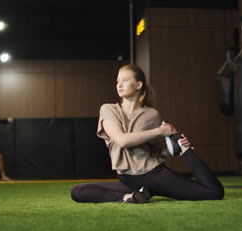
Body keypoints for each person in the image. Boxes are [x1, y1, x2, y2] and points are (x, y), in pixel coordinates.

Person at [71, 64, 224, 203]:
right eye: (118, 81)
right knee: (78, 191)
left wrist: (178, 147)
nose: (119, 84)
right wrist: (160, 131)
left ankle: (186, 152)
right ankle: (129, 198)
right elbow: (122, 140)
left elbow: (158, 151)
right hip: (129, 180)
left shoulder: (152, 115)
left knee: (214, 192)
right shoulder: (108, 109)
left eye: (125, 80)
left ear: (138, 84)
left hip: (153, 175)